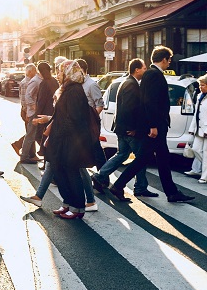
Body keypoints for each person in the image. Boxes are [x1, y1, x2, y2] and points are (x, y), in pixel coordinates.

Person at [109, 46, 195, 203]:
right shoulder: (154, 75)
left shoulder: (151, 74)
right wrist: (153, 125)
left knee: (162, 158)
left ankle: (172, 192)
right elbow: (150, 102)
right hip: (155, 126)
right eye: (169, 60)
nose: (169, 63)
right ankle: (118, 185)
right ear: (163, 60)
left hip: (156, 125)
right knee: (143, 159)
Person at [91, 58, 156, 197]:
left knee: (122, 154)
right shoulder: (132, 85)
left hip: (122, 127)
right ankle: (140, 187)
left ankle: (99, 175)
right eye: (144, 68)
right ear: (137, 69)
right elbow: (127, 108)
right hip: (129, 129)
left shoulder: (125, 82)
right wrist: (133, 128)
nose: (145, 70)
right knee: (140, 158)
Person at [42, 60, 95, 219]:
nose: (57, 75)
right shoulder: (66, 89)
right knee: (60, 172)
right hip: (61, 139)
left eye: (60, 71)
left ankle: (78, 207)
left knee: (72, 173)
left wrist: (58, 135)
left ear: (68, 73)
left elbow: (73, 119)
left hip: (71, 141)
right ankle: (68, 203)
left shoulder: (74, 91)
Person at [185, 75, 207, 183]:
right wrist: (192, 128)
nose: (200, 87)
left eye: (202, 85)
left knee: (206, 152)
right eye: (200, 85)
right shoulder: (200, 96)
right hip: (199, 129)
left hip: (206, 129)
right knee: (196, 149)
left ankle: (204, 176)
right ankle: (205, 172)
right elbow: (196, 115)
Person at [20, 63, 42, 163]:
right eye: (34, 70)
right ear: (29, 72)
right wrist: (27, 111)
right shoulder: (27, 82)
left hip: (28, 110)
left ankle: (31, 154)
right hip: (28, 110)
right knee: (30, 133)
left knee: (32, 133)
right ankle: (25, 155)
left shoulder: (28, 81)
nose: (36, 72)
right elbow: (25, 99)